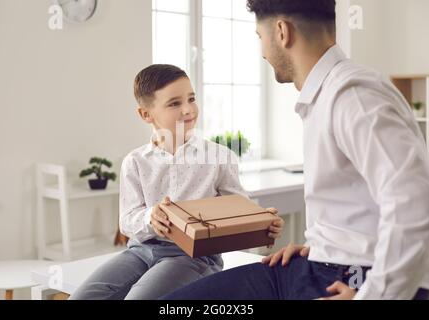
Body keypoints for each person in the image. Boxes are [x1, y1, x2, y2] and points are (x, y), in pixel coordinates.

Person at [161, 0, 429, 300]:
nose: (262, 51)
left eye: (259, 37)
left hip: (356, 277)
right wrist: (324, 246)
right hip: (322, 264)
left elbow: (415, 203)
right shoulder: (326, 95)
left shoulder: (352, 96)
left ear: (281, 31)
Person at [69, 64, 284, 300]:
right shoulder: (135, 161)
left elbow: (240, 208)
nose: (188, 109)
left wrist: (261, 221)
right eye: (174, 103)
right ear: (145, 114)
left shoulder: (219, 157)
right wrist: (150, 216)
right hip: (141, 251)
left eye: (191, 99)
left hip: (194, 257)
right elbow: (127, 222)